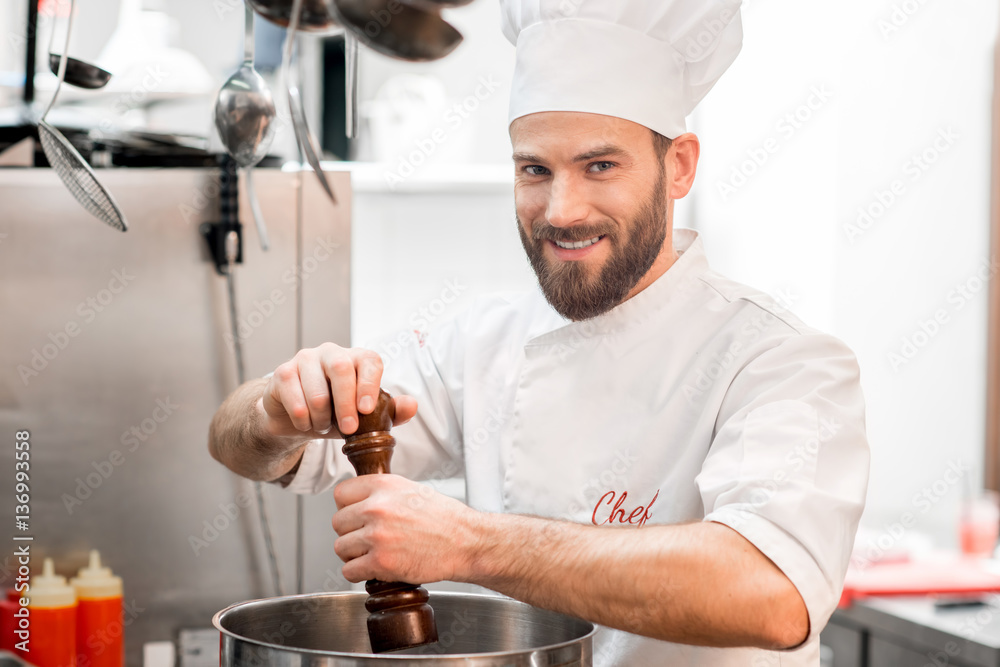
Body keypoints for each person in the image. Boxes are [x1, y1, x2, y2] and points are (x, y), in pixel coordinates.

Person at [208, 1, 870, 664]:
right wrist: (278, 405)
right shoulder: (483, 341)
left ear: (680, 168)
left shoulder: (782, 363)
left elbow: (771, 592)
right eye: (535, 169)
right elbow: (239, 444)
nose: (562, 210)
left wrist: (471, 542)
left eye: (600, 166)